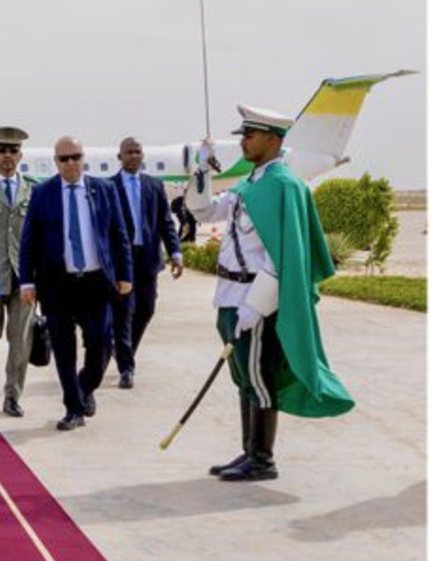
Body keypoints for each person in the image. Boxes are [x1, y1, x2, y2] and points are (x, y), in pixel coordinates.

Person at [186, 105, 354, 482]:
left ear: (273, 139)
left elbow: (286, 257)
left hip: (256, 301)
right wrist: (200, 170)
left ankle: (262, 459)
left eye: (250, 135)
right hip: (229, 294)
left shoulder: (284, 186)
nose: (243, 141)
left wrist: (256, 306)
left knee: (259, 377)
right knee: (244, 377)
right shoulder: (250, 184)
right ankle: (249, 451)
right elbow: (204, 212)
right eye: (243, 134)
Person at [19, 136, 132, 431]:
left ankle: (85, 387)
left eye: (75, 156)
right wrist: (26, 282)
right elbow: (29, 240)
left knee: (101, 343)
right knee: (64, 348)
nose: (70, 163)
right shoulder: (43, 194)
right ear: (55, 162)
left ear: (84, 158)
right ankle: (73, 409)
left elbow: (119, 235)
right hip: (57, 284)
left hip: (95, 283)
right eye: (63, 158)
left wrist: (125, 275)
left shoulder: (104, 190)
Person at [109, 137, 183, 389]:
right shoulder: (110, 187)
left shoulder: (154, 186)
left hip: (148, 258)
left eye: (137, 151)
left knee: (146, 308)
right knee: (123, 313)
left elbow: (165, 222)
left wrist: (175, 252)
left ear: (143, 155)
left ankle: (123, 351)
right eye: (128, 152)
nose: (133, 156)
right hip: (122, 261)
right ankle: (126, 368)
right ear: (119, 157)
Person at [0, 126, 37, 418]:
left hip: (23, 278)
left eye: (13, 151)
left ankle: (13, 395)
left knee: (20, 338)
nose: (7, 156)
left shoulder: (33, 189)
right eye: (2, 150)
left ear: (20, 155)